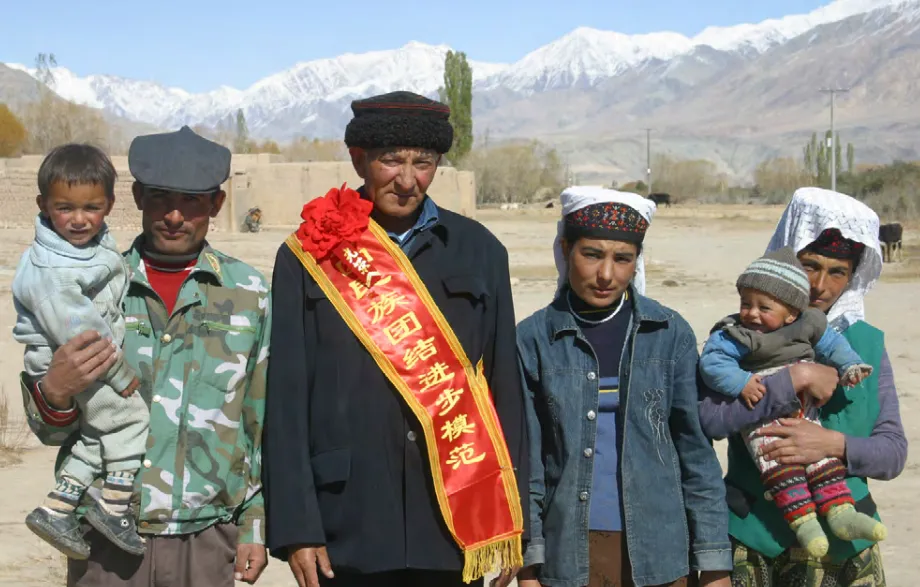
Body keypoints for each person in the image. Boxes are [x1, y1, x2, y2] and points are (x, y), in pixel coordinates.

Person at [264, 91, 528, 587]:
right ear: (358, 159)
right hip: (348, 518)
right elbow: (286, 398)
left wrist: (515, 517)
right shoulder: (309, 256)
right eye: (391, 160)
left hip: (453, 518)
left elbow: (505, 389)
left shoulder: (480, 251)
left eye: (423, 163)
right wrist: (298, 525)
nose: (407, 180)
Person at [19, 126, 271, 587]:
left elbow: (259, 420)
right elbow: (50, 433)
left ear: (216, 203)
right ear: (137, 197)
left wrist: (253, 523)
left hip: (206, 533)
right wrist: (53, 392)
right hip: (103, 534)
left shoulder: (248, 293)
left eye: (192, 201)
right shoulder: (90, 288)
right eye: (160, 198)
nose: (174, 215)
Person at [515, 186, 731, 587]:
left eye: (622, 258)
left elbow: (696, 454)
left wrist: (715, 562)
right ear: (565, 249)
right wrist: (529, 565)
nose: (606, 274)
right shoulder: (533, 340)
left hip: (661, 551)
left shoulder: (668, 334)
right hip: (569, 554)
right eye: (591, 254)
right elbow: (527, 463)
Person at [698, 187, 908, 586]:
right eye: (809, 266)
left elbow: (893, 453)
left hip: (847, 550)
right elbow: (709, 420)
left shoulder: (865, 347)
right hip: (755, 540)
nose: (820, 286)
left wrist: (831, 444)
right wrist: (795, 379)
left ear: (853, 276)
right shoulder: (743, 334)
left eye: (838, 272)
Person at [698, 247, 883, 558]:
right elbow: (713, 369)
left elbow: (833, 345)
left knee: (823, 463)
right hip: (763, 427)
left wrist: (850, 365)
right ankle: (805, 523)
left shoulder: (822, 328)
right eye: (746, 303)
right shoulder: (736, 334)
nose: (751, 313)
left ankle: (842, 514)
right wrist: (745, 382)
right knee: (779, 463)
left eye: (763, 307)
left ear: (792, 313)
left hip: (805, 413)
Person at [13, 144, 146, 560]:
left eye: (92, 208)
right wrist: (119, 373)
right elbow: (80, 330)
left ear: (109, 206)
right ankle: (114, 506)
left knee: (98, 434)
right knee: (131, 418)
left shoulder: (87, 249)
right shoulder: (51, 270)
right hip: (80, 360)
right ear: (43, 205)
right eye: (65, 208)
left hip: (88, 358)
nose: (79, 219)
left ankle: (58, 507)